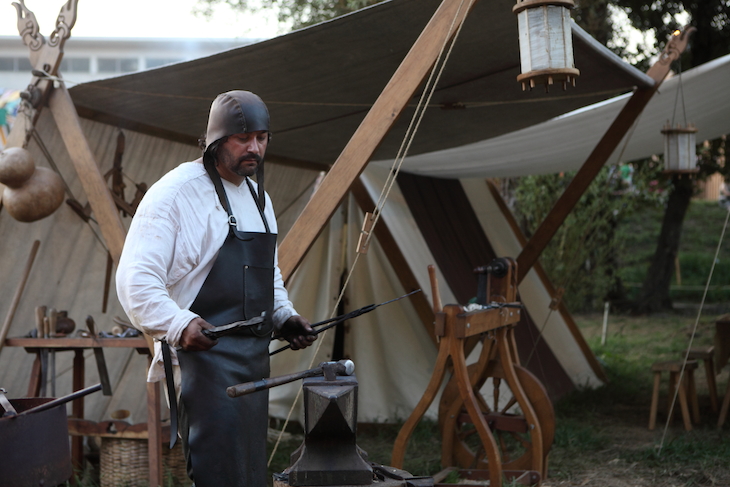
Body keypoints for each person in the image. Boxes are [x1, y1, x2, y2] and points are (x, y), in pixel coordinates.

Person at [116, 90, 316, 486]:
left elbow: (267, 276)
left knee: (249, 472)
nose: (254, 148)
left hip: (254, 361)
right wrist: (177, 324)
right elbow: (135, 281)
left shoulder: (259, 198)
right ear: (216, 140)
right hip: (203, 365)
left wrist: (283, 315)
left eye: (261, 138)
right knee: (218, 474)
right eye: (243, 138)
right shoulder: (174, 194)